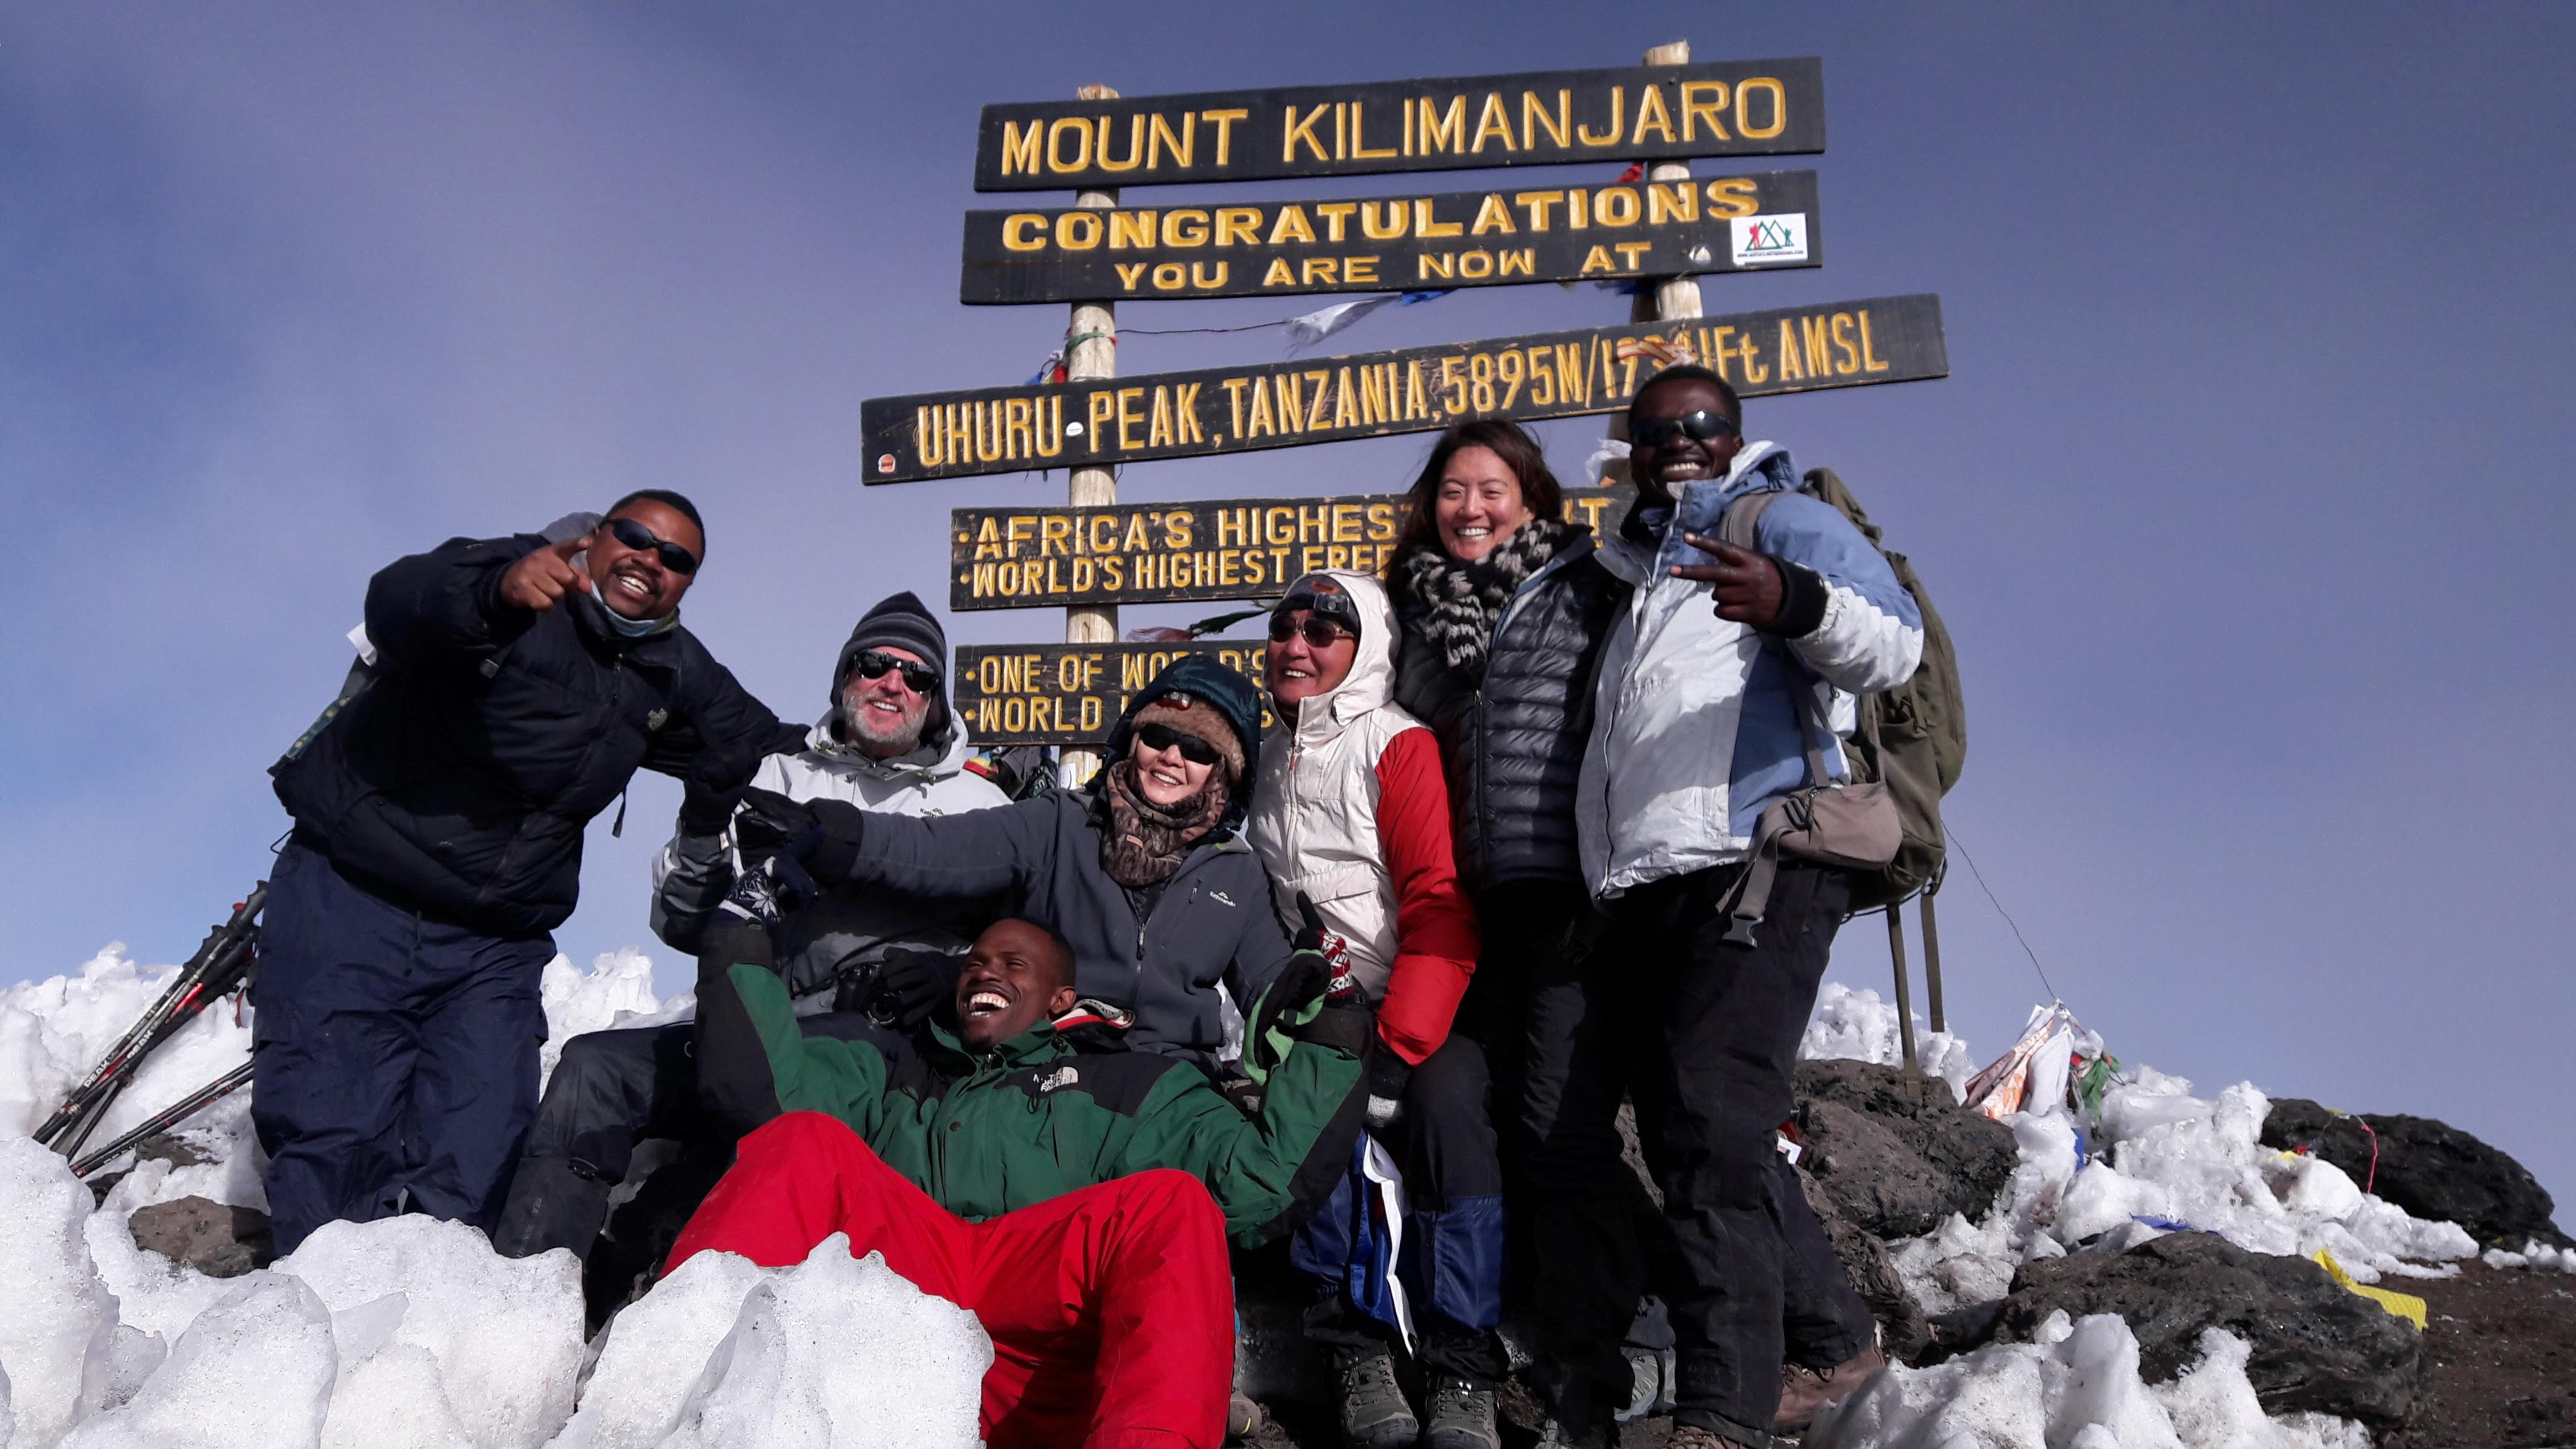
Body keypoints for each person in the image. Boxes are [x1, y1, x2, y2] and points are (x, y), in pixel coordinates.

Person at [1539, 366, 1924, 1449]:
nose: (1676, 442)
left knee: (1708, 1119)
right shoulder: (1637, 563)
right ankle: (1835, 1340)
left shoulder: (1784, 517)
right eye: (1653, 429)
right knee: (1695, 1124)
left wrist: (1792, 599)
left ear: (1734, 432)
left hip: (1757, 859)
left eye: (1698, 425)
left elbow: (1893, 644)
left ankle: (1727, 1407)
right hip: (1654, 882)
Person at [665, 872, 1375, 1449]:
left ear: (1059, 999)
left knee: (1173, 1205)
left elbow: (1259, 1184)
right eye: (975, 961)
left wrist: (1337, 1025)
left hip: (1042, 1354)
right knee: (802, 1143)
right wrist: (736, 932)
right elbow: (760, 1092)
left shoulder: (1127, 1084)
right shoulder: (896, 1075)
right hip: (900, 1315)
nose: (985, 971)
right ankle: (656, 1404)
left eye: (1013, 964)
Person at [258, 490, 793, 1254]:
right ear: (599, 537)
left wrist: (906, 753)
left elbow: (765, 743)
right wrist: (496, 592)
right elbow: (400, 601)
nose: (652, 561)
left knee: (480, 1150)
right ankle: (313, 1334)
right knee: (332, 1134)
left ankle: (430, 1344)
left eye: (678, 559)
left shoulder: (677, 669)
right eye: (637, 537)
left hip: (493, 942)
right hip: (355, 895)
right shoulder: (511, 575)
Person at [492, 590, 1008, 1279]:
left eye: (917, 677)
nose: (893, 684)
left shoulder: (979, 806)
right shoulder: (778, 771)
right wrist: (706, 824)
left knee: (731, 1137)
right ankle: (523, 1301)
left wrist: (949, 974)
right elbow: (682, 922)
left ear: (936, 703)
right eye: (875, 664)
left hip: (884, 1046)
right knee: (593, 1070)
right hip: (758, 1016)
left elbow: (1020, 946)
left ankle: (672, 1272)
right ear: (843, 677)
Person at [733, 655, 1293, 1066]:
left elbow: (1275, 996)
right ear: (1132, 742)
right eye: (1159, 737)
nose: (1172, 756)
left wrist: (1326, 1010)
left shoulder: (1234, 872)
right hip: (1040, 1068)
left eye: (1197, 749)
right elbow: (938, 851)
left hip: (1170, 1088)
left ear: (1224, 772)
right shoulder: (1061, 823)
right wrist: (832, 833)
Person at [1244, 571, 1497, 1449]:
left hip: (1416, 1001)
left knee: (1450, 1110)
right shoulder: (1266, 755)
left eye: (1327, 630)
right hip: (1323, 1004)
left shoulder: (1398, 745)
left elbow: (1439, 900)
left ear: (1368, 650)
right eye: (1287, 626)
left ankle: (1461, 1358)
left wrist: (1401, 1043)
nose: (1300, 645)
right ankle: (1357, 1350)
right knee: (1312, 1110)